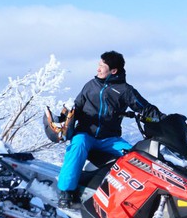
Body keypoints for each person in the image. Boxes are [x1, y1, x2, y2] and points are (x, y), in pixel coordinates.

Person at [52, 50, 158, 207]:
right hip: (86, 134)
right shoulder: (90, 86)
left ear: (113, 71)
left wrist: (164, 121)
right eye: (98, 65)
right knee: (78, 145)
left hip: (110, 139)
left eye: (102, 66)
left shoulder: (125, 90)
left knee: (135, 157)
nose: (98, 69)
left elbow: (146, 109)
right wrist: (62, 117)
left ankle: (134, 200)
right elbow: (76, 106)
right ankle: (66, 191)